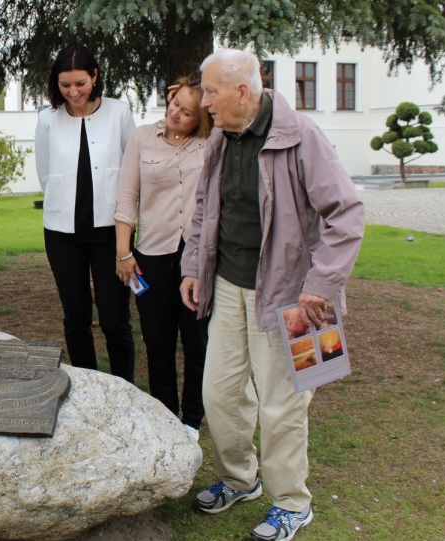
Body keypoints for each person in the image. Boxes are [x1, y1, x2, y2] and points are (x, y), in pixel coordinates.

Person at [179, 49, 364, 541]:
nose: (205, 102)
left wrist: (319, 287)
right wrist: (193, 267)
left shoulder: (302, 137)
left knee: (282, 405)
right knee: (217, 393)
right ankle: (241, 479)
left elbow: (346, 215)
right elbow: (203, 209)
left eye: (212, 92)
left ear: (244, 90)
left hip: (289, 296)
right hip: (227, 287)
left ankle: (291, 503)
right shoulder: (221, 136)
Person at [113, 77, 213, 441]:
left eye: (187, 113)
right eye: (175, 104)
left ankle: (193, 419)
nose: (176, 113)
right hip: (150, 255)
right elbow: (126, 197)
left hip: (196, 257)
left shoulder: (211, 142)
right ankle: (165, 414)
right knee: (157, 342)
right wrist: (124, 252)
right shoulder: (141, 138)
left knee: (196, 340)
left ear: (200, 119)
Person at [34, 43, 137, 382]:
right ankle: (87, 386)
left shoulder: (119, 113)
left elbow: (132, 172)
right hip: (63, 234)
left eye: (80, 83)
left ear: (95, 76)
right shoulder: (47, 118)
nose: (73, 92)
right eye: (65, 85)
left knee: (113, 318)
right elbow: (45, 173)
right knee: (75, 318)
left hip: (111, 233)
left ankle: (124, 388)